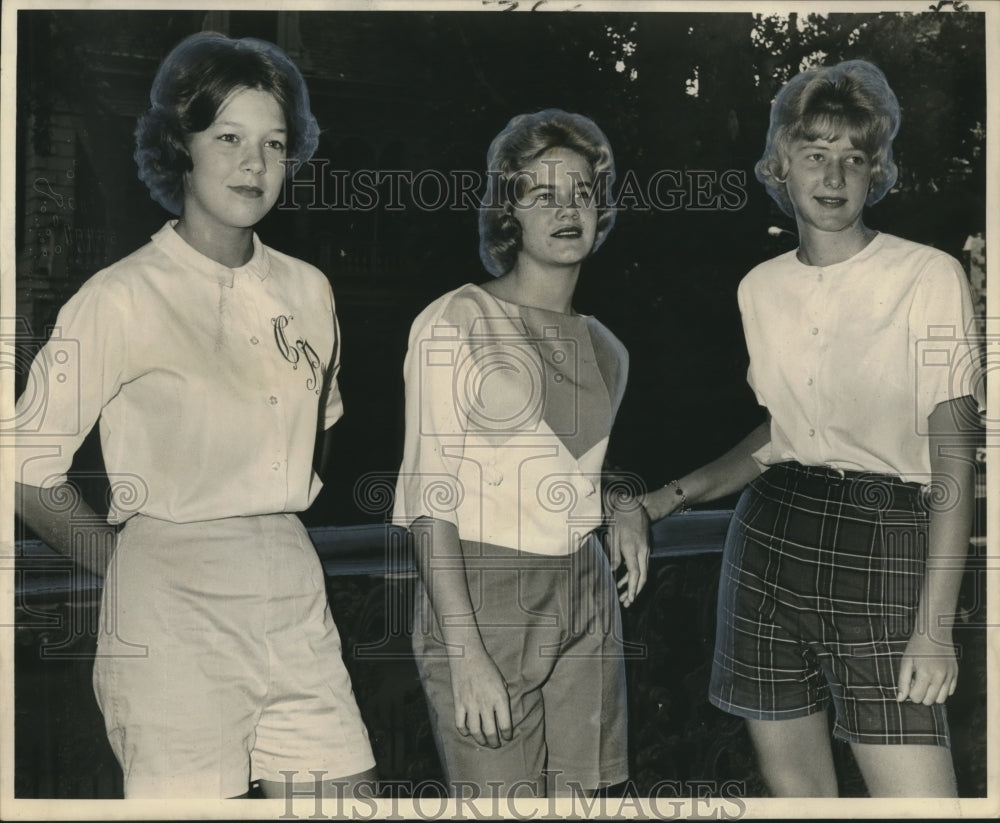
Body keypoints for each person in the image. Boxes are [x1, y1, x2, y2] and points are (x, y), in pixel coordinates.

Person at [12, 32, 376, 799]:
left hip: (293, 592)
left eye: (274, 143)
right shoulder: (121, 297)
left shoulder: (310, 290)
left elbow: (324, 429)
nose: (254, 163)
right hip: (169, 606)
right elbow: (23, 468)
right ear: (180, 146)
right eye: (229, 138)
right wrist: (131, 567)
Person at [643, 60, 982, 797]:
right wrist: (664, 499)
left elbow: (956, 454)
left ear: (875, 170)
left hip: (887, 534)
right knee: (800, 798)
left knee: (923, 804)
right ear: (780, 165)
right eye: (814, 154)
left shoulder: (927, 277)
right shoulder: (759, 287)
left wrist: (933, 624)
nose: (834, 175)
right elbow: (779, 436)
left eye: (853, 157)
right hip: (769, 539)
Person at [392, 109, 649, 797]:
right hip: (482, 599)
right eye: (542, 194)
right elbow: (429, 498)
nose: (567, 210)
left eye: (582, 194)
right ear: (509, 213)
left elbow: (559, 466)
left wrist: (622, 500)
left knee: (592, 803)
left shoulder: (609, 348)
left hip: (587, 589)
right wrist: (464, 650)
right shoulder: (457, 320)